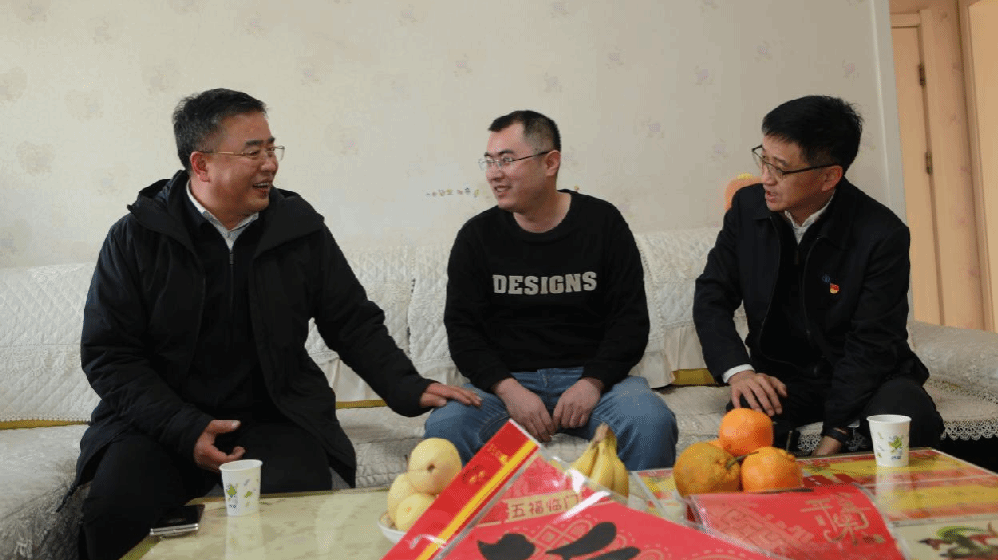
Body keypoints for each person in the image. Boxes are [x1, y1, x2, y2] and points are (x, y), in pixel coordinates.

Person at [69, 88, 480, 560]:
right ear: (201, 165)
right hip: (158, 423)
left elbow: (350, 321)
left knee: (294, 515)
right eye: (253, 152)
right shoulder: (136, 237)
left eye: (272, 148)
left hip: (273, 413)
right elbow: (109, 355)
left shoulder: (298, 228)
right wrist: (184, 427)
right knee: (113, 514)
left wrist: (408, 386)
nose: (270, 164)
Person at [423, 110, 678, 470]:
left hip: (595, 381)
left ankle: (634, 510)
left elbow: (630, 321)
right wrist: (509, 389)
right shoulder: (476, 236)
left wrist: (592, 382)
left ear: (550, 162)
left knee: (651, 422)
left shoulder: (603, 224)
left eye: (507, 160)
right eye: (489, 161)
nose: (494, 173)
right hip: (505, 386)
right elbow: (463, 332)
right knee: (446, 428)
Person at [693, 95, 944, 456]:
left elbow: (872, 342)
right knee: (748, 422)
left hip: (871, 377)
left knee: (908, 416)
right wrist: (740, 372)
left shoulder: (881, 234)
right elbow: (712, 296)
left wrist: (835, 433)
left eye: (781, 169)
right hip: (783, 376)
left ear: (829, 176)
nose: (765, 178)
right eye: (763, 159)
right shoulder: (747, 210)